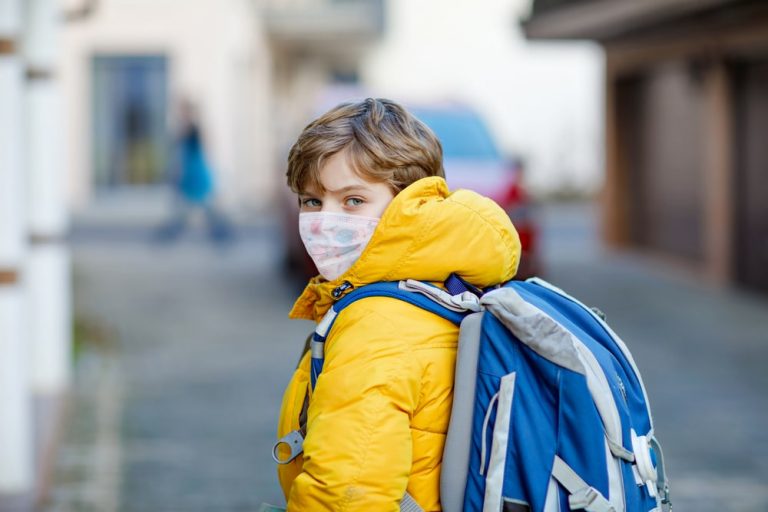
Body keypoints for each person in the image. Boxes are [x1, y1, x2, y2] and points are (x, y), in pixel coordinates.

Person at [276, 98, 521, 511]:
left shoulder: (376, 328)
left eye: (353, 200)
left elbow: (347, 495)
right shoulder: (440, 283)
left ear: (410, 205)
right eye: (311, 201)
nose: (324, 220)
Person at [154, 99, 234, 244]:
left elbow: (194, 143)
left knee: (202, 210)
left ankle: (222, 235)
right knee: (190, 211)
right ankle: (221, 235)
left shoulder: (192, 128)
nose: (179, 114)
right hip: (190, 175)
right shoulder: (190, 128)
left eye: (182, 111)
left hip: (195, 174)